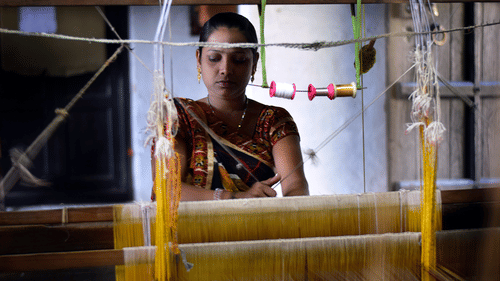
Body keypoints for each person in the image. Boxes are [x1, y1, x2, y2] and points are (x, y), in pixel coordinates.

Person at [152, 12, 308, 201]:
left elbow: (296, 188)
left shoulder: (274, 121)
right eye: (214, 58)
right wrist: (233, 198)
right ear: (198, 60)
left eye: (239, 59)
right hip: (193, 229)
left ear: (254, 63)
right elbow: (167, 187)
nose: (225, 69)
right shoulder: (179, 116)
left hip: (258, 227)